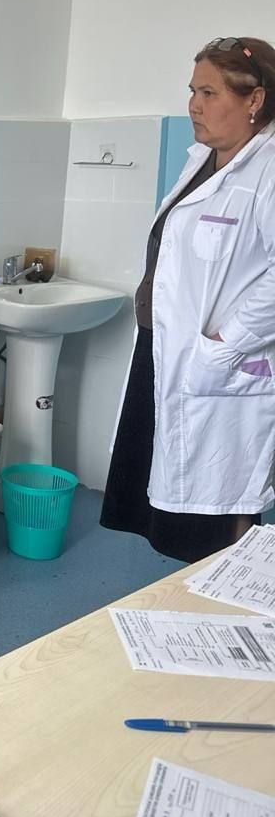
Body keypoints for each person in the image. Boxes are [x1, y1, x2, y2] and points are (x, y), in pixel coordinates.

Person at [101, 36, 275, 562]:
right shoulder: (202, 159)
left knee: (224, 505)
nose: (193, 105)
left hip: (219, 358)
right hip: (164, 348)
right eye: (192, 91)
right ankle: (191, 595)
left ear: (254, 100)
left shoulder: (267, 170)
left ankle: (226, 601)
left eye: (209, 92)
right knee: (171, 501)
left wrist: (227, 340)